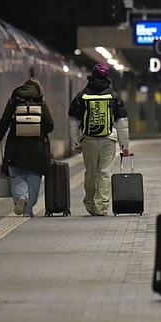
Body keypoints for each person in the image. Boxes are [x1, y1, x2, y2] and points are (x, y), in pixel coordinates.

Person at [68, 63, 130, 216]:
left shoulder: (81, 95)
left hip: (88, 140)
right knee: (104, 173)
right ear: (106, 76)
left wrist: (76, 142)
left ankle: (89, 203)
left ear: (92, 76)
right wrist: (124, 145)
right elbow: (122, 123)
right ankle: (101, 206)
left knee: (90, 173)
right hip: (108, 140)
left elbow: (73, 122)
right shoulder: (113, 96)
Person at [0, 78, 54, 217]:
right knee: (33, 178)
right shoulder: (41, 102)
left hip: (15, 147)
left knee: (17, 176)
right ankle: (28, 209)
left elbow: (4, 122)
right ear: (37, 90)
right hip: (37, 148)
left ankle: (21, 197)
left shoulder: (13, 101)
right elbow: (50, 126)